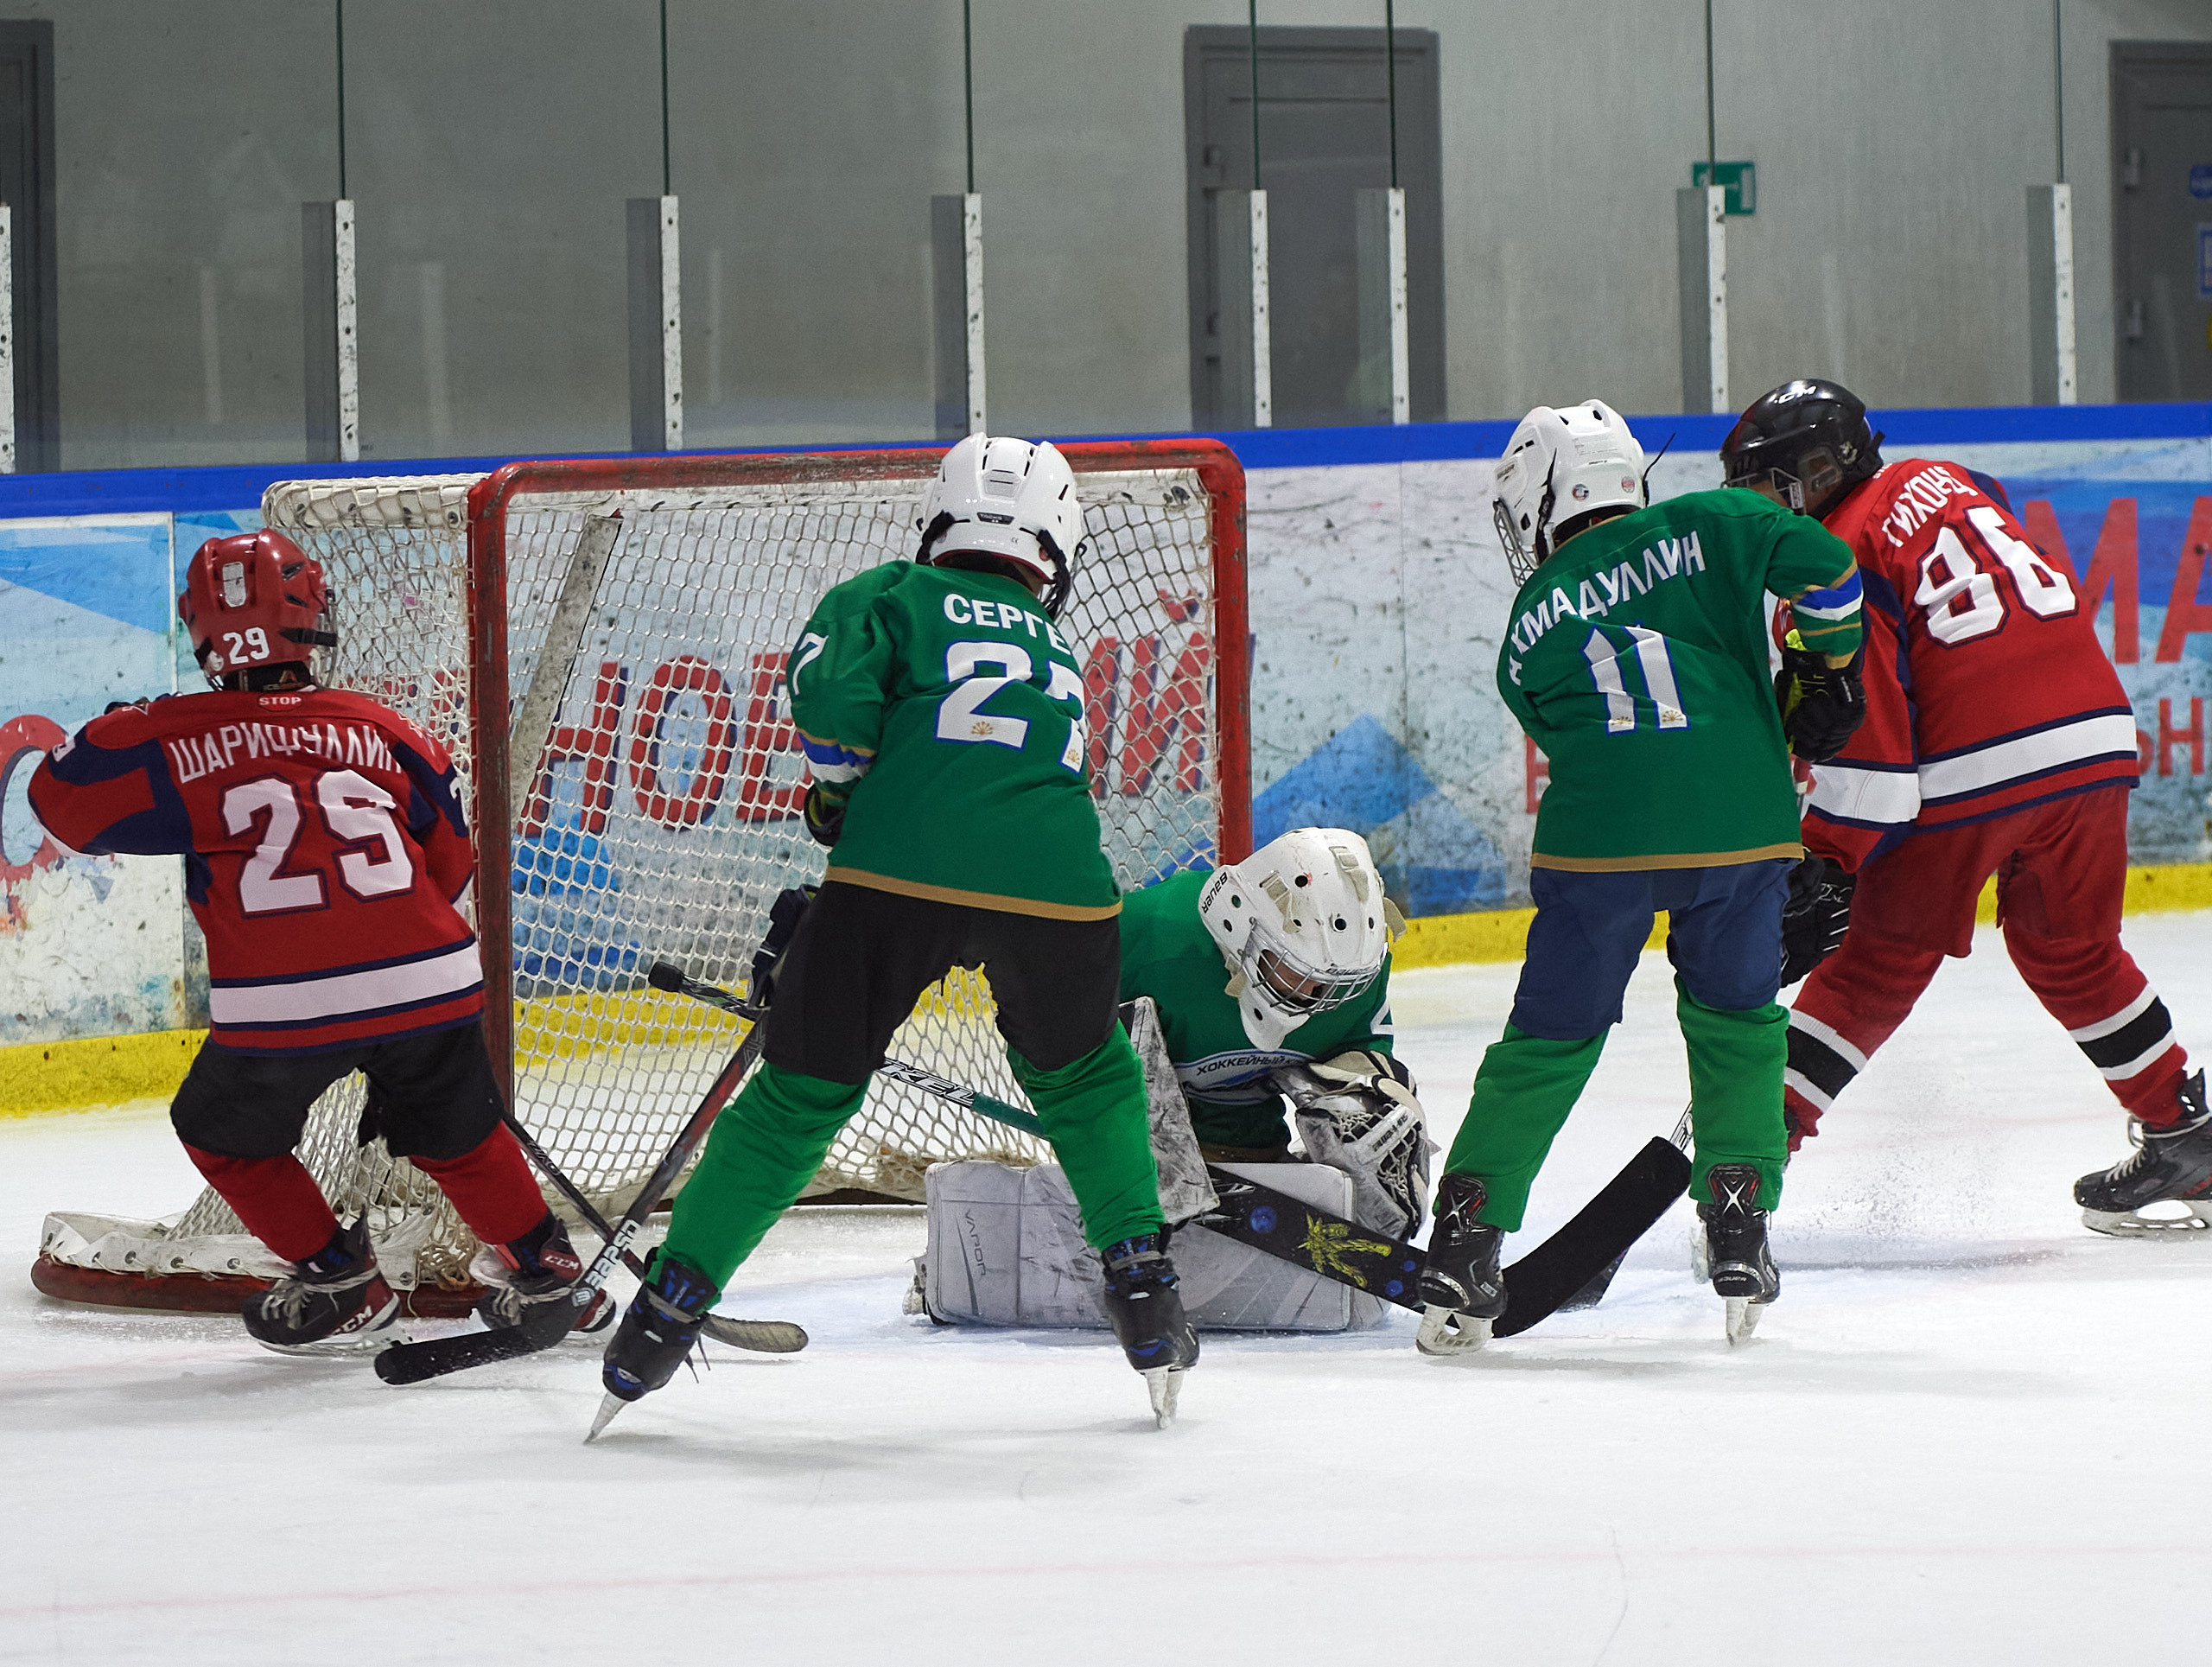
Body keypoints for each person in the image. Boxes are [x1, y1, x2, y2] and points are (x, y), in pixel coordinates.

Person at [595, 434, 1198, 1433]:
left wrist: (836, 799)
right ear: (1054, 545)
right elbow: (1018, 781)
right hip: (1060, 884)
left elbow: (834, 705)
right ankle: (1142, 1282)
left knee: (799, 1098)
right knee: (1086, 1077)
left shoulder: (889, 594)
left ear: (940, 521)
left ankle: (666, 1310)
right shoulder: (1052, 649)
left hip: (895, 876)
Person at [27, 531, 602, 1353]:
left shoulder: (166, 737)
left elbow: (60, 802)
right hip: (430, 976)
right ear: (312, 616)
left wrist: (123, 728)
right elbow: (450, 860)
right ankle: (552, 1272)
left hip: (283, 1001)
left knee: (218, 1128)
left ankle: (338, 1275)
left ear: (198, 630)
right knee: (460, 1135)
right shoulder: (382, 725)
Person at [1418, 400, 1866, 1353]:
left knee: (1548, 1036)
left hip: (1599, 844)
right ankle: (1739, 1225)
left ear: (1546, 498)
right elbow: (1828, 573)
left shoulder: (1529, 618)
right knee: (1739, 1023)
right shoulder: (1719, 520)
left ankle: (1465, 1233)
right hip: (1741, 829)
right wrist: (1823, 671)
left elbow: (1552, 721)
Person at [1722, 378, 2209, 1236]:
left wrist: (1828, 857)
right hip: (2095, 737)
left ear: (1816, 470)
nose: (1760, 507)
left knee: (1869, 965)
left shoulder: (1831, 559)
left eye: (1767, 485)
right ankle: (2185, 1133)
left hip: (1973, 765)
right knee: (2074, 951)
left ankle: (1746, 1158)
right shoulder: (1944, 476)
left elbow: (1873, 758)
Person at [1118, 825, 1433, 1238]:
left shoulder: (1354, 978)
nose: (1320, 996)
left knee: (1371, 1112)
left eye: (1339, 984)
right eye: (1301, 972)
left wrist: (1364, 1104)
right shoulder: (1151, 937)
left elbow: (1358, 1061)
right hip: (1133, 1165)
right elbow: (1045, 1033)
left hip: (1254, 1150)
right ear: (1241, 927)